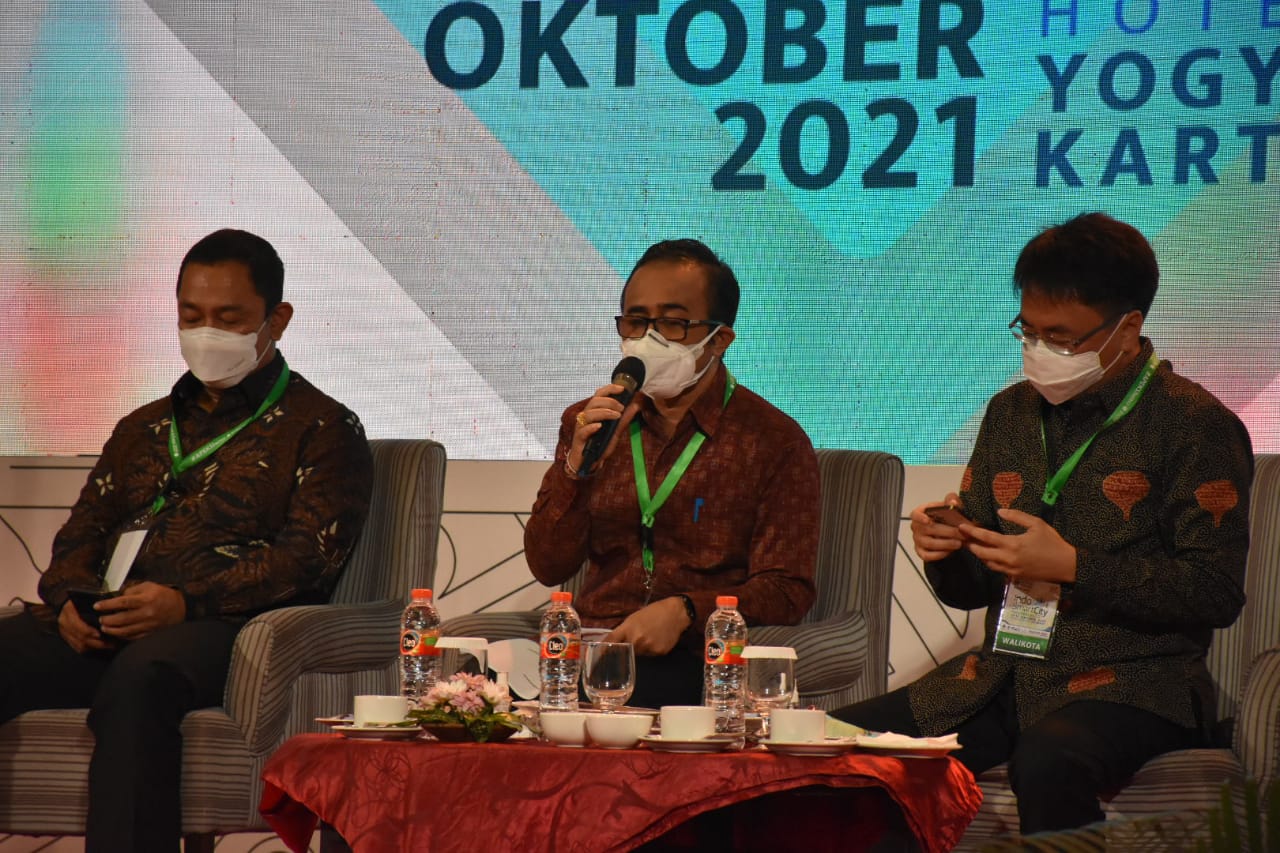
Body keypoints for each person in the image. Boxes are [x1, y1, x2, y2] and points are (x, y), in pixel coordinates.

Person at [832, 212, 1253, 834]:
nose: (1040, 352)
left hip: (1136, 682)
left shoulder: (1195, 424)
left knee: (1050, 761)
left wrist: (1075, 568)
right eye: (1028, 332)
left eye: (1062, 338)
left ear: (1128, 327)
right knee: (839, 745)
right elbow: (971, 589)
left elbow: (1214, 591)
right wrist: (946, 548)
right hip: (1000, 674)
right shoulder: (1010, 413)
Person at [0, 229, 374, 852]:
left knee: (141, 680)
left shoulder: (324, 428)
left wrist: (185, 602)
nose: (206, 332)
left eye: (229, 318)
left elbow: (305, 561)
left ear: (277, 320)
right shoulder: (143, 426)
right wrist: (69, 601)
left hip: (224, 630)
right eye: (192, 316)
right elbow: (79, 538)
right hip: (110, 623)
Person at [523, 238, 820, 708]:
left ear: (719, 340)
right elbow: (548, 566)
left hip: (694, 657)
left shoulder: (771, 441)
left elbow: (787, 590)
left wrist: (686, 611)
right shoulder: (591, 421)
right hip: (593, 647)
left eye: (672, 324)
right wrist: (576, 470)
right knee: (472, 693)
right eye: (636, 321)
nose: (648, 340)